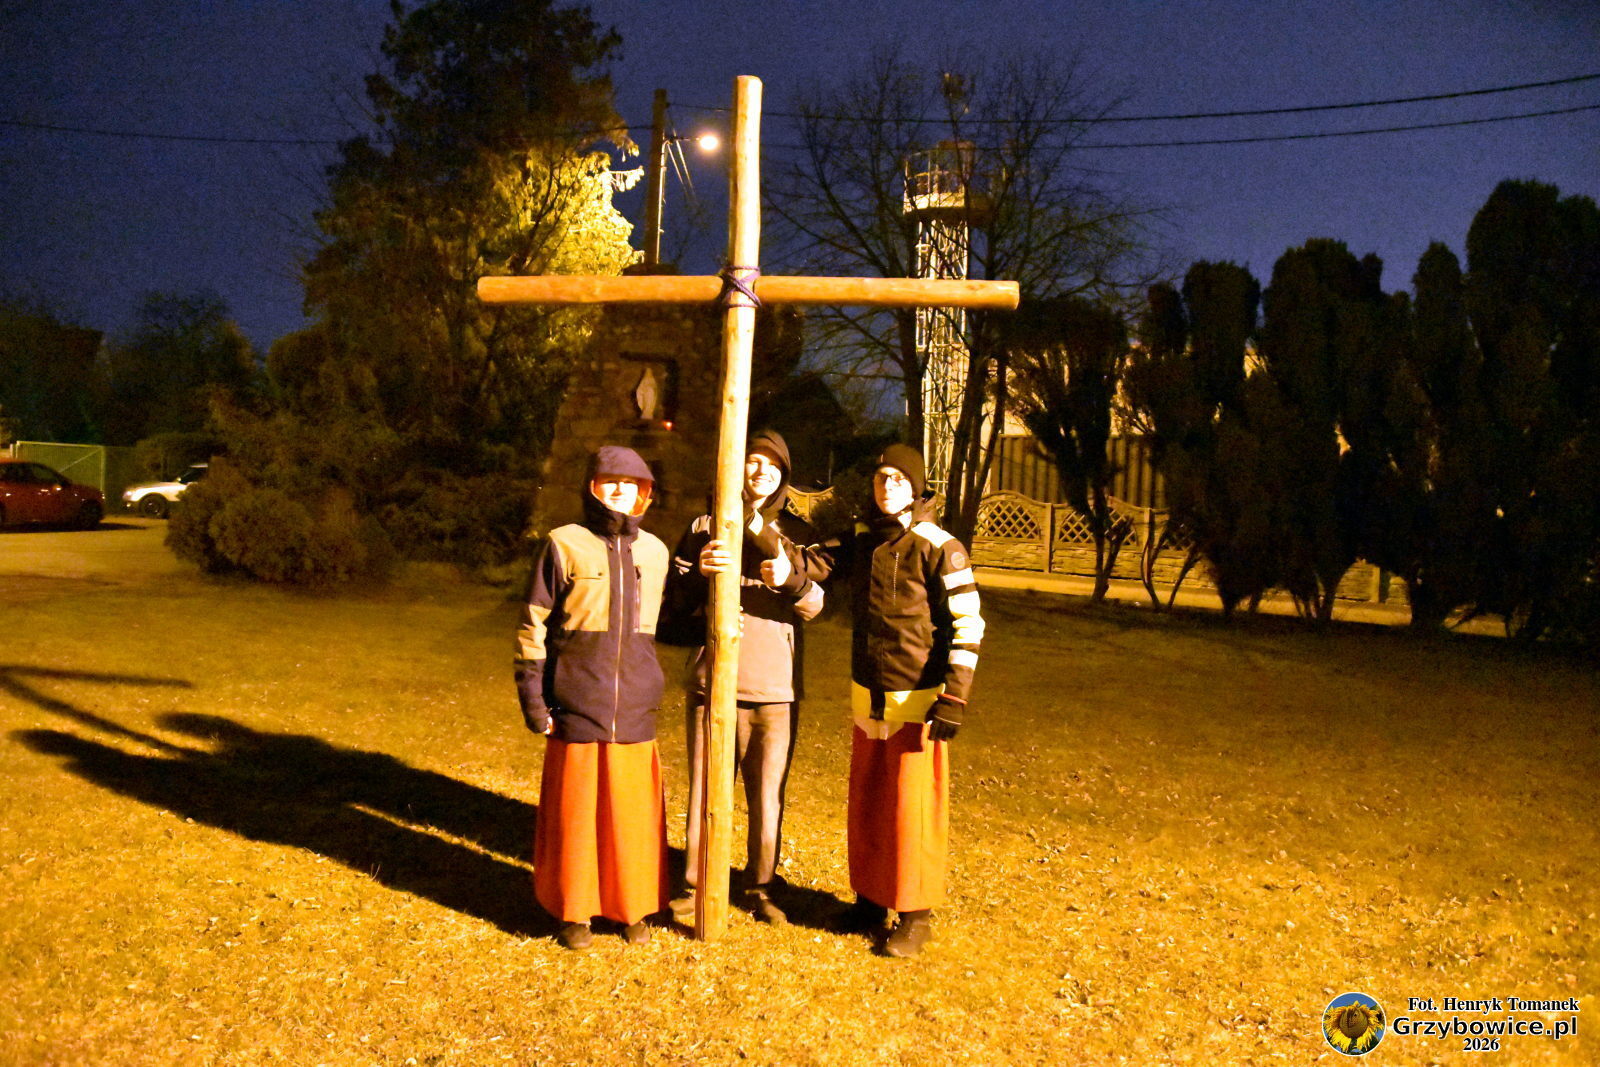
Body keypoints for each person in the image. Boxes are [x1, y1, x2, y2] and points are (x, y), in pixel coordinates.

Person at [780, 443, 983, 957]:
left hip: (918, 701)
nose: (887, 486)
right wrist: (755, 531)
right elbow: (811, 562)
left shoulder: (941, 547)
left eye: (898, 478)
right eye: (880, 478)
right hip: (868, 696)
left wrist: (954, 697)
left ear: (916, 487)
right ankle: (869, 900)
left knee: (912, 813)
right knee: (870, 805)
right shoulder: (864, 538)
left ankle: (915, 915)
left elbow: (968, 623)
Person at [663, 429, 824, 924]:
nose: (761, 472)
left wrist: (789, 579)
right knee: (705, 789)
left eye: (772, 466)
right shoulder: (703, 526)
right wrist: (698, 576)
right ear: (736, 464)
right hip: (712, 683)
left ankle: (760, 887)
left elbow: (817, 605)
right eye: (753, 461)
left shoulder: (798, 534)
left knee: (767, 795)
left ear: (784, 476)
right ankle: (697, 882)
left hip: (775, 687)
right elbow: (671, 609)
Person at [513, 445, 670, 950]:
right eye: (611, 482)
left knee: (631, 818)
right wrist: (534, 700)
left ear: (645, 492)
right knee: (577, 818)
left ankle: (632, 907)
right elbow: (533, 624)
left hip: (635, 707)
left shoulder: (656, 552)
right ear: (593, 487)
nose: (621, 491)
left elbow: (674, 620)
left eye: (632, 484)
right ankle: (574, 911)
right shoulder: (564, 544)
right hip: (577, 702)